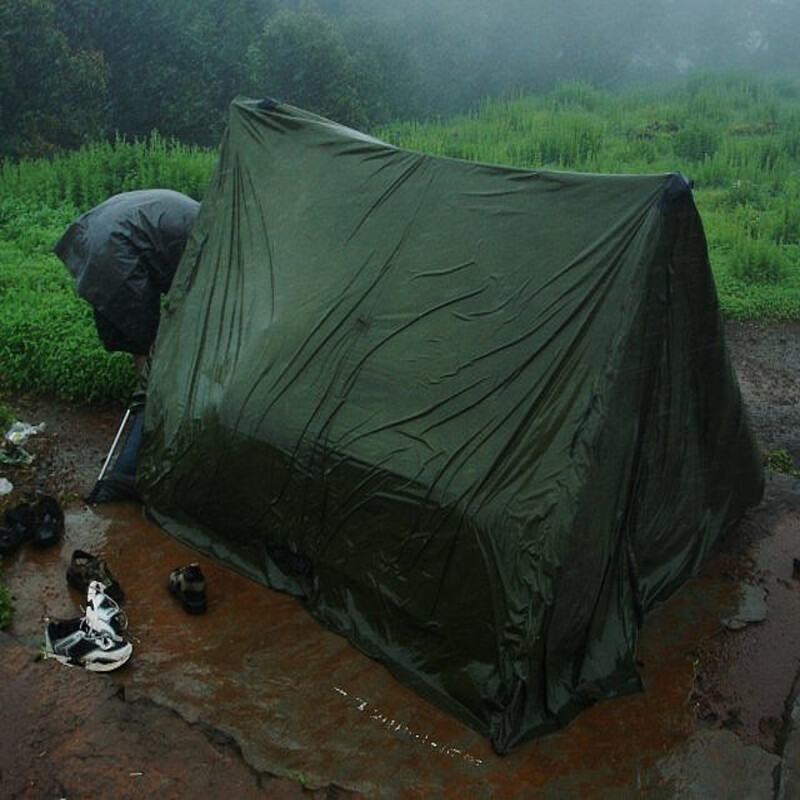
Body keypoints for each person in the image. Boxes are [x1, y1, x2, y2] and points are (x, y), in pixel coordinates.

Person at [54, 189, 200, 502]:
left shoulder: (200, 217)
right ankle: (145, 416)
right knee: (148, 347)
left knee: (141, 334)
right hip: (118, 247)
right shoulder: (211, 236)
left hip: (95, 231)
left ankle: (144, 402)